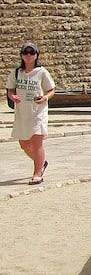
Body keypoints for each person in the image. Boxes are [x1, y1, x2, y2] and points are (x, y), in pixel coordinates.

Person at [5, 42, 56, 184]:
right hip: (22, 112)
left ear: (36, 55)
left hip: (38, 111)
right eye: (25, 52)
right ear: (21, 55)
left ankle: (37, 173)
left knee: (36, 142)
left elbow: (51, 90)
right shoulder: (17, 72)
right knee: (24, 143)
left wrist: (45, 97)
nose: (28, 55)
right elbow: (10, 89)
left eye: (31, 52)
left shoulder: (42, 72)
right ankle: (41, 162)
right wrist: (12, 96)